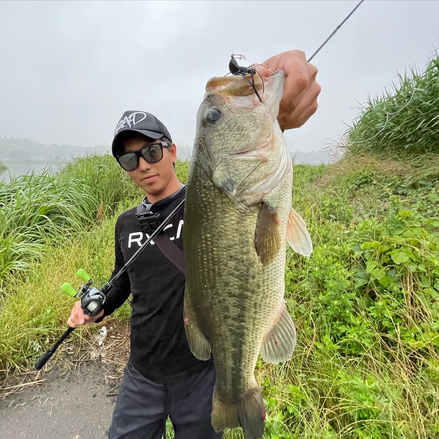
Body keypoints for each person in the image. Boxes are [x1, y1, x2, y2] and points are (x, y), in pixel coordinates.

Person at [67, 50, 321, 439]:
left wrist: (275, 112)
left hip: (200, 374)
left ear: (171, 150)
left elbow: (246, 173)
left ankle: (238, 390)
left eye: (151, 151)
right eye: (129, 160)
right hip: (142, 374)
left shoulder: (203, 200)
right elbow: (122, 282)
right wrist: (96, 306)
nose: (143, 165)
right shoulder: (126, 223)